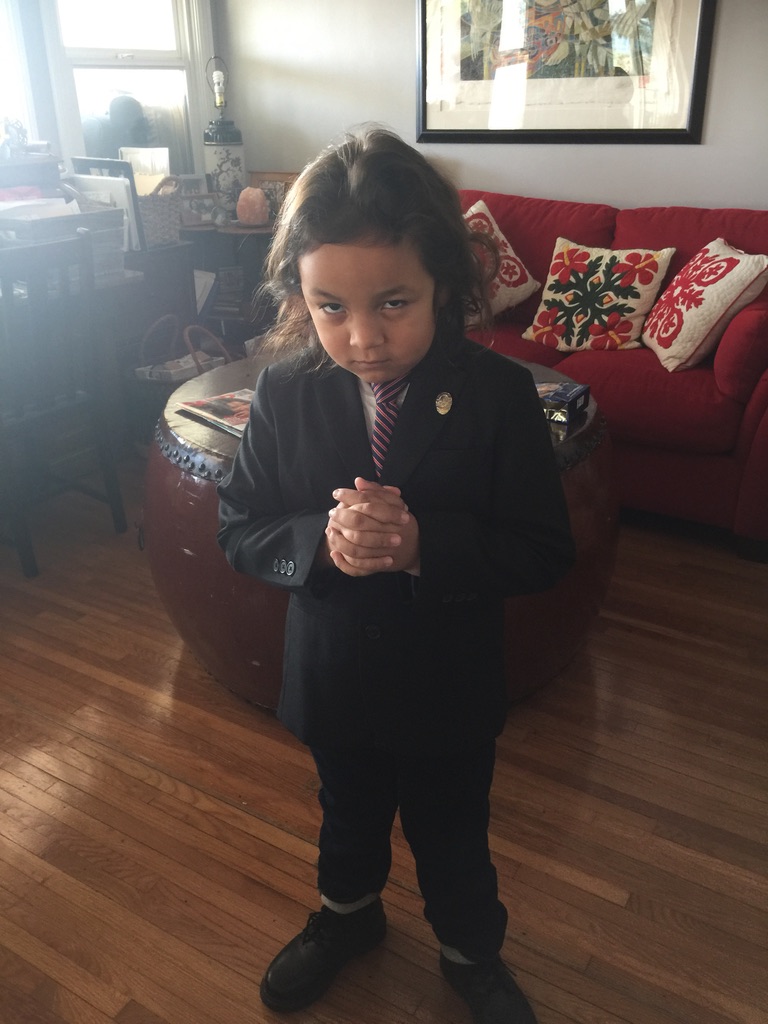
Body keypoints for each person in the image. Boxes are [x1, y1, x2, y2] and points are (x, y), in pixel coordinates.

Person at [217, 125, 575, 1024]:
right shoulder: (285, 391)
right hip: (334, 672)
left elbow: (542, 547)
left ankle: (471, 950)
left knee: (454, 828)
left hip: (449, 676)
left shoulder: (499, 395)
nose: (363, 337)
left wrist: (423, 548)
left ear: (443, 284)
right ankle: (347, 914)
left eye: (393, 303)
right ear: (300, 296)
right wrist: (318, 539)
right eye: (330, 306)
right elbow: (242, 528)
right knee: (346, 812)